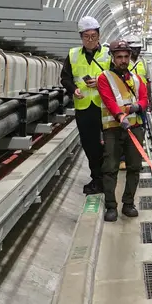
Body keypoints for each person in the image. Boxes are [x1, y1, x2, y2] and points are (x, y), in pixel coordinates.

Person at [96, 39, 148, 222]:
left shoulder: (137, 79)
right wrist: (120, 116)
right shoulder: (104, 78)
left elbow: (144, 99)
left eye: (126, 56)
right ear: (113, 57)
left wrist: (137, 108)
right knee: (110, 168)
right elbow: (109, 100)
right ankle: (111, 206)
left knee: (134, 167)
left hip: (134, 129)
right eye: (119, 57)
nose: (123, 60)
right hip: (113, 129)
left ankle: (128, 203)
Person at [61, 16, 110, 195]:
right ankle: (96, 178)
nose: (90, 40)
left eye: (93, 36)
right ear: (81, 37)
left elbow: (115, 77)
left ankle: (107, 177)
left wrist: (100, 82)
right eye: (86, 36)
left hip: (104, 106)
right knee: (89, 144)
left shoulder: (108, 54)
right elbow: (65, 78)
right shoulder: (73, 55)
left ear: (99, 35)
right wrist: (73, 89)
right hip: (83, 106)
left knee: (109, 143)